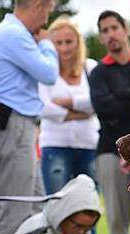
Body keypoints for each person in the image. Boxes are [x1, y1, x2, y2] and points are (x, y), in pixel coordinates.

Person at [0, 0, 58, 234]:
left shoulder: (3, 32)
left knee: (36, 208)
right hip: (14, 126)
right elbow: (48, 73)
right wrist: (46, 44)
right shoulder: (14, 34)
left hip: (14, 125)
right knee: (16, 211)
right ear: (37, 5)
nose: (45, 21)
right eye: (47, 11)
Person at [89, 10, 130, 234]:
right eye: (104, 30)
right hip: (110, 152)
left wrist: (123, 99)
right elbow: (104, 108)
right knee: (116, 219)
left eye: (114, 27)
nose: (110, 34)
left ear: (125, 30)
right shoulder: (99, 72)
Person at [38, 16, 98, 195]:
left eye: (69, 41)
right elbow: (44, 107)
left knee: (88, 204)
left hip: (89, 145)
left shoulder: (90, 67)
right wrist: (81, 113)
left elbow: (98, 101)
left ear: (78, 42)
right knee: (57, 202)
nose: (64, 48)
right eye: (58, 42)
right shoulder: (45, 71)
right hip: (55, 145)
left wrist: (67, 103)